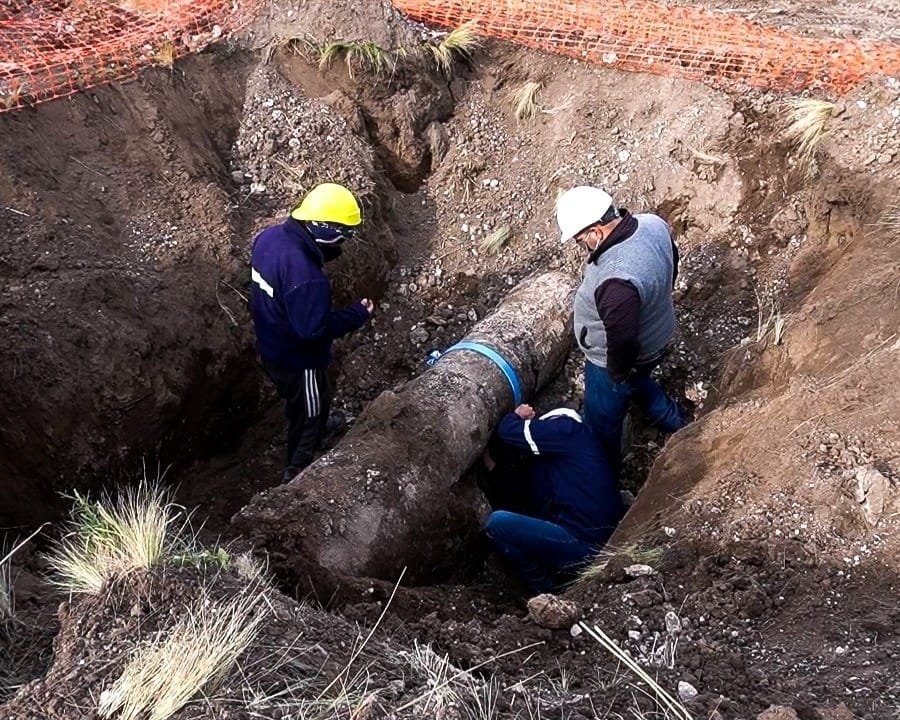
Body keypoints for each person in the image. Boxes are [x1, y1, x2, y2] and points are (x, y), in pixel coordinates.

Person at [250, 183, 374, 482]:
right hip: (298, 360)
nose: (347, 239)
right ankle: (298, 472)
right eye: (345, 233)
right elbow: (313, 330)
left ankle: (319, 427)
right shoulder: (307, 278)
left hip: (270, 344)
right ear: (325, 228)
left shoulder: (269, 239)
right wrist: (357, 314)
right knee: (308, 412)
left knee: (311, 400)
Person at [556, 186, 688, 467]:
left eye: (581, 240)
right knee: (639, 381)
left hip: (616, 359)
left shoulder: (617, 280)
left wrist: (616, 374)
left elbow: (623, 342)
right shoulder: (652, 224)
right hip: (659, 335)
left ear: (596, 231)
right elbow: (672, 264)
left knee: (602, 420)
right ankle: (677, 422)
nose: (583, 247)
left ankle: (603, 471)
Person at [482, 403, 623, 594]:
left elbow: (508, 431)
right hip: (598, 546)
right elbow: (528, 497)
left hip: (584, 546)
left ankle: (544, 591)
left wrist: (516, 415)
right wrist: (493, 469)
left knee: (497, 524)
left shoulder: (566, 429)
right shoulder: (571, 459)